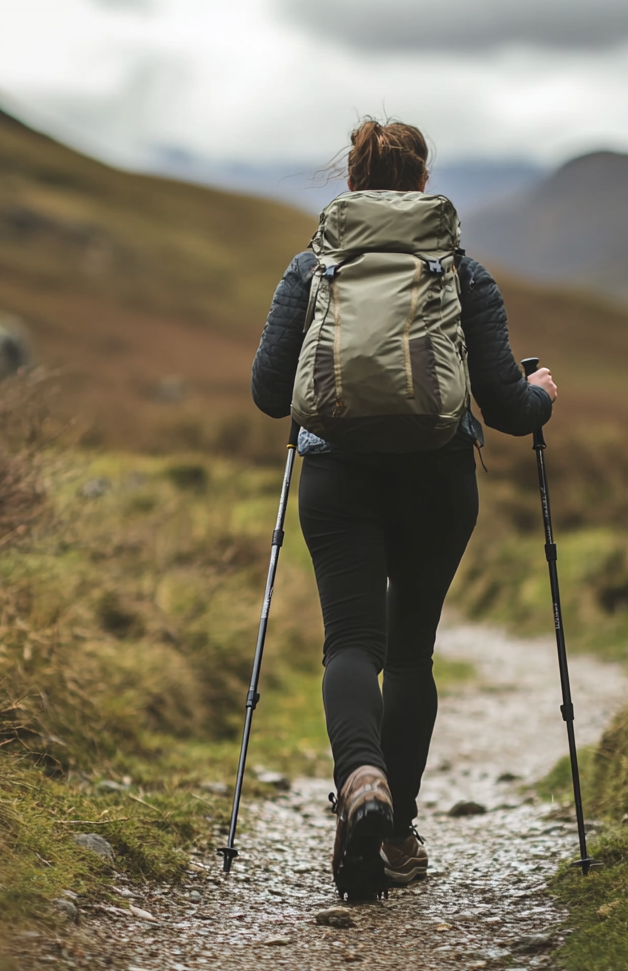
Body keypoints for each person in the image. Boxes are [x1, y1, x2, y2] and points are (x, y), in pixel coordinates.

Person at [251, 118, 557, 898]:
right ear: (423, 183)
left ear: (350, 184)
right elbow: (508, 406)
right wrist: (541, 396)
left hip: (336, 475)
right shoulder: (461, 269)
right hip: (438, 475)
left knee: (350, 642)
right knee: (412, 649)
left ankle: (361, 782)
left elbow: (265, 391)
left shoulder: (310, 268)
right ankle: (396, 840)